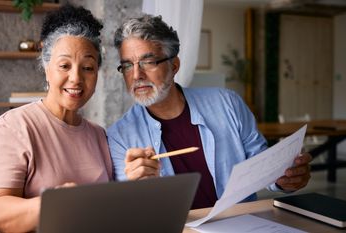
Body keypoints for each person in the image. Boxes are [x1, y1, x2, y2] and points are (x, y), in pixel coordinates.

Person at [107, 14, 312, 209]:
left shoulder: (227, 103)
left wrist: (286, 178)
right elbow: (132, 209)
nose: (136, 75)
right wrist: (135, 190)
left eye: (148, 62)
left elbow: (262, 166)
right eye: (127, 65)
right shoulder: (119, 136)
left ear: (174, 65)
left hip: (240, 224)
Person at [0, 4, 112, 232]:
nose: (75, 78)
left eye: (87, 67)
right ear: (47, 68)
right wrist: (51, 205)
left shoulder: (99, 136)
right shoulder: (14, 127)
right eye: (64, 65)